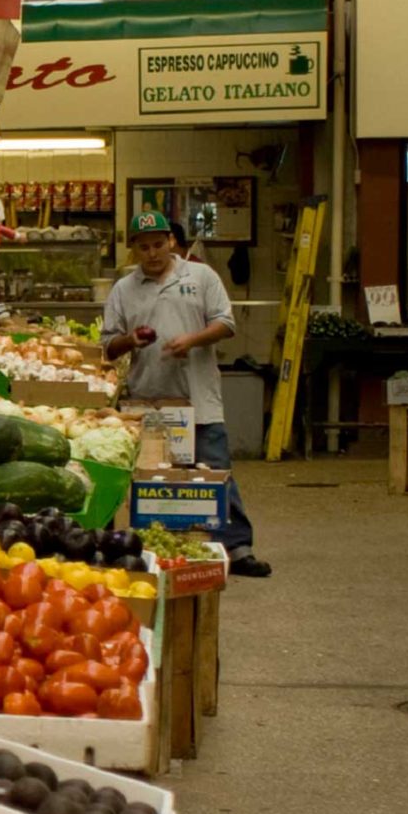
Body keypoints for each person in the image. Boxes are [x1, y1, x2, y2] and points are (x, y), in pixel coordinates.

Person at [102, 210, 270, 578]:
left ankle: (238, 547)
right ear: (133, 249)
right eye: (143, 247)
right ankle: (151, 544)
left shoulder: (201, 276)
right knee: (152, 476)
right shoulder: (123, 289)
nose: (152, 253)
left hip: (198, 397)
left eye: (158, 244)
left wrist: (191, 341)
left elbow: (226, 323)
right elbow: (108, 346)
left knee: (215, 469)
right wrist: (131, 339)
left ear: (172, 241)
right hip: (149, 398)